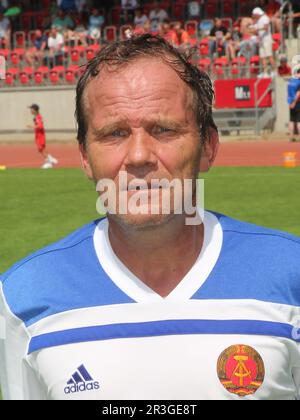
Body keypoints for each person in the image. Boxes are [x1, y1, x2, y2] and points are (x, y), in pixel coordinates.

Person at [0, 34, 300, 400]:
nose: (139, 155)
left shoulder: (291, 277)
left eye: (164, 130)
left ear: (208, 146)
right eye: (114, 133)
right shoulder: (22, 298)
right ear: (84, 157)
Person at [26, 104, 58, 169]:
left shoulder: (38, 117)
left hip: (40, 134)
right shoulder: (36, 117)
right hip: (38, 134)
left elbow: (40, 126)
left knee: (41, 149)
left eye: (31, 109)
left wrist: (31, 126)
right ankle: (50, 159)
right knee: (41, 149)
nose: (30, 111)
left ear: (35, 110)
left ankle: (49, 162)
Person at [251, 7, 276, 77]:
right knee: (262, 57)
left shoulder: (265, 18)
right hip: (261, 40)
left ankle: (274, 71)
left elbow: (266, 28)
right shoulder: (258, 20)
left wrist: (257, 29)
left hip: (266, 39)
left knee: (269, 55)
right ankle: (265, 72)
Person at [287, 70, 300, 142]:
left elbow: (289, 93)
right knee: (298, 121)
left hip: (290, 102)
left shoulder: (291, 82)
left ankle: (291, 137)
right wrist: (294, 102)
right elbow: (298, 93)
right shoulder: (299, 82)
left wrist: (290, 103)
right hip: (297, 102)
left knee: (291, 120)